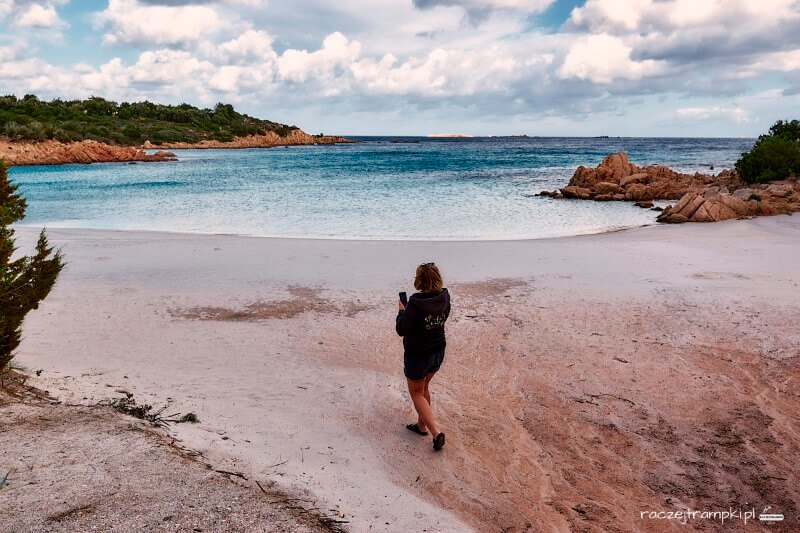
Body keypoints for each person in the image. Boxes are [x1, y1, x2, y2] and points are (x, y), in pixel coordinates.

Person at [396, 262, 451, 451]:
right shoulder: (444, 296)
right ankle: (421, 426)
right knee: (424, 387)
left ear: (419, 280)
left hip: (418, 356)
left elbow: (401, 330)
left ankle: (436, 433)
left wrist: (402, 311)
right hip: (438, 351)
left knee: (416, 392)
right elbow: (444, 317)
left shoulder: (416, 302)